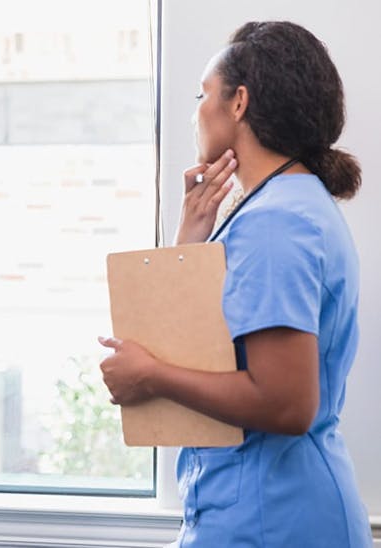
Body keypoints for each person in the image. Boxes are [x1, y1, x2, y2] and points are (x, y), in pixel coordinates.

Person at [98, 21, 372, 547]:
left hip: (275, 519)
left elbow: (285, 404)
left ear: (239, 102)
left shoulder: (277, 223)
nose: (196, 110)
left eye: (204, 94)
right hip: (261, 512)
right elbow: (207, 352)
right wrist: (190, 244)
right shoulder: (282, 208)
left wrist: (150, 376)